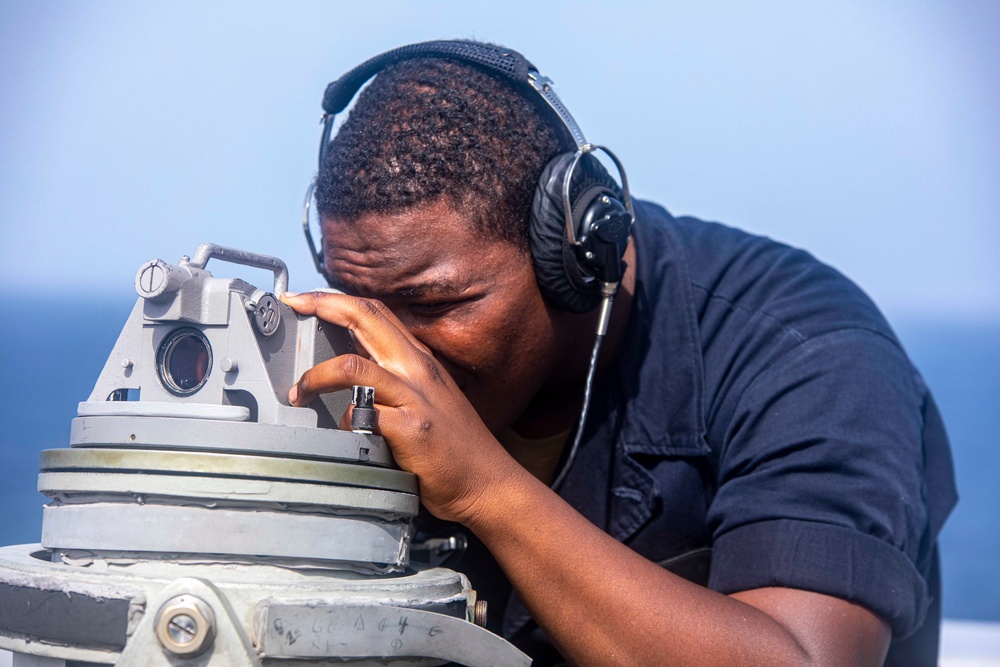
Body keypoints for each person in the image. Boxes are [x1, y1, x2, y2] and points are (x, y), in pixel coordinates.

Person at [280, 40, 957, 666]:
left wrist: (483, 486)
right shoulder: (360, 362)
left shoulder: (810, 356)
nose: (392, 348)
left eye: (434, 304)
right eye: (362, 303)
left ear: (568, 249)